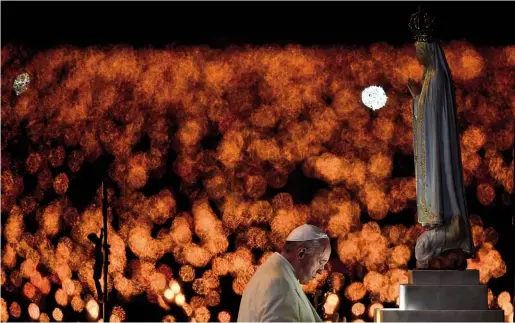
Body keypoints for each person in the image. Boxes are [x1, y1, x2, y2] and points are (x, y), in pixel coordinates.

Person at [407, 7, 474, 268]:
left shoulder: (436, 79)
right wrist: (416, 97)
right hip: (432, 143)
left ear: (430, 49)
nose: (418, 53)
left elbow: (432, 116)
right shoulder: (431, 79)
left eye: (421, 48)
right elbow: (427, 114)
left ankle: (448, 225)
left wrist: (418, 99)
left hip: (437, 147)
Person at [237, 224, 333, 322]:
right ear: (301, 253)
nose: (321, 270)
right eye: (321, 262)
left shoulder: (275, 275)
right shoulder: (279, 282)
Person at [88, 232, 105, 300]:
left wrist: (102, 234)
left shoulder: (98, 242)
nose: (91, 241)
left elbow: (101, 240)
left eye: (92, 239)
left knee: (95, 278)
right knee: (95, 278)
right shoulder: (98, 243)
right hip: (98, 261)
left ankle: (100, 294)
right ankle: (100, 293)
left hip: (99, 261)